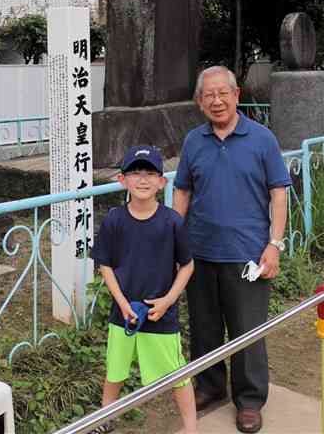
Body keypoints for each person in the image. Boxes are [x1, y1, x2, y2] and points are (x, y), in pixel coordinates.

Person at [173, 66, 290, 434]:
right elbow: (182, 191)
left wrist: (274, 244)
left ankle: (250, 400)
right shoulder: (193, 141)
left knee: (247, 330)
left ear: (236, 94)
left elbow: (279, 193)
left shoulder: (262, 139)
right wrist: (175, 242)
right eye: (209, 95)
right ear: (199, 101)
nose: (217, 100)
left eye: (223, 93)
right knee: (204, 327)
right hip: (200, 252)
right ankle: (210, 386)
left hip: (248, 255)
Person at [91, 144, 197, 434]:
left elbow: (186, 266)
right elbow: (105, 265)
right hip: (122, 314)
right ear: (121, 180)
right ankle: (105, 417)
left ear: (162, 182)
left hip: (159, 314)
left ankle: (190, 427)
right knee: (115, 369)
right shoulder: (114, 219)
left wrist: (168, 301)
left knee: (177, 372)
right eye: (135, 172)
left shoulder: (172, 221)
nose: (143, 179)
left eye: (150, 173)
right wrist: (122, 302)